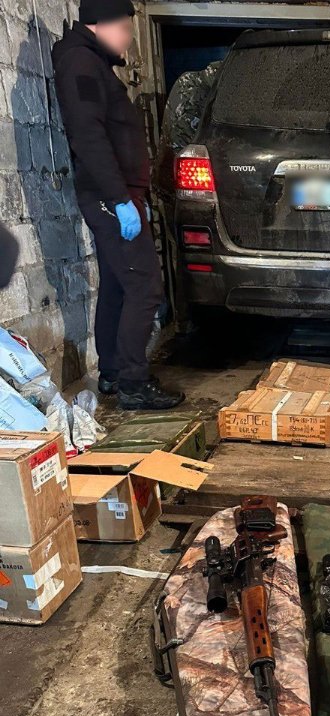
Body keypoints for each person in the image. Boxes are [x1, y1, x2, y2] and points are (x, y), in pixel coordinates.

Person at [52, 0, 184, 409]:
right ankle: (133, 382)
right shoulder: (81, 63)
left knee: (117, 284)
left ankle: (112, 372)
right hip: (110, 196)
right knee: (145, 288)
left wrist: (132, 195)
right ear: (102, 23)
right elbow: (88, 135)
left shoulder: (92, 64)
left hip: (118, 194)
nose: (128, 38)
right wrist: (119, 198)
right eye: (125, 28)